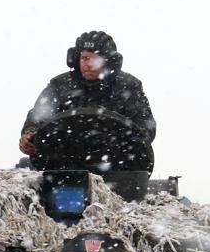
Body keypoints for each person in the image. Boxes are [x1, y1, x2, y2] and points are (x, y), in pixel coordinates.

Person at [18, 31, 156, 172]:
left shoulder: (128, 86)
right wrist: (30, 135)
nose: (88, 64)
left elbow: (145, 124)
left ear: (108, 61)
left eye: (95, 59)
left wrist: (128, 138)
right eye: (85, 58)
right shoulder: (60, 85)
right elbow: (38, 116)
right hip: (64, 165)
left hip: (118, 167)